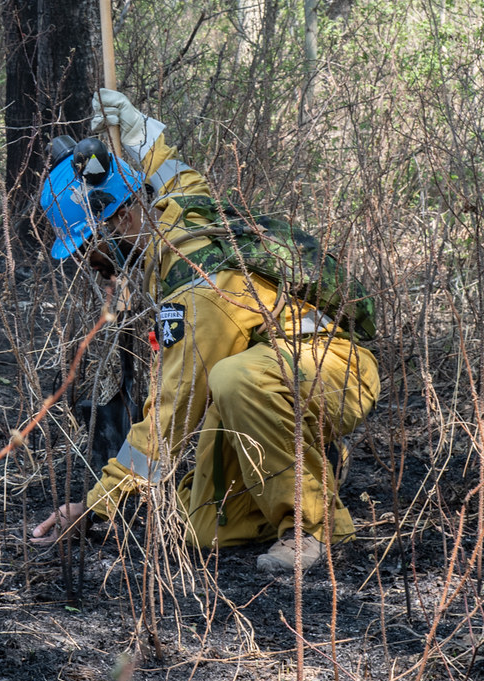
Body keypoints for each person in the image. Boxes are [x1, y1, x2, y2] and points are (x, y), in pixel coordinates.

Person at [31, 88, 379, 573]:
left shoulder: (197, 287)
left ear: (119, 220)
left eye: (92, 249)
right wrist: (136, 130)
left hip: (332, 369)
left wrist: (96, 505)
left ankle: (310, 526)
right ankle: (305, 471)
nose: (95, 266)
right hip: (277, 377)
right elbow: (172, 170)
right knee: (203, 527)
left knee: (235, 379)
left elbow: (169, 416)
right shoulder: (176, 207)